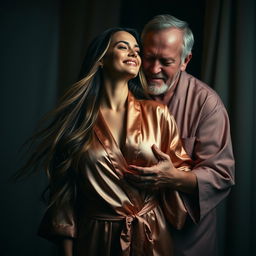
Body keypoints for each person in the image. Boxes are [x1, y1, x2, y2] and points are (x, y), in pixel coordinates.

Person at [21, 27, 194, 256]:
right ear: (101, 59)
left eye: (137, 49)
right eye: (123, 46)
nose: (133, 53)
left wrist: (170, 175)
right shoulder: (77, 121)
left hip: (151, 235)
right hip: (95, 238)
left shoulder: (158, 113)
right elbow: (64, 196)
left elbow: (183, 172)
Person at [124, 15, 235, 256]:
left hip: (185, 242)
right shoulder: (121, 90)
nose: (154, 69)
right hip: (129, 237)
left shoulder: (207, 104)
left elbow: (221, 175)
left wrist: (172, 178)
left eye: (166, 61)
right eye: (149, 58)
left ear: (185, 60)